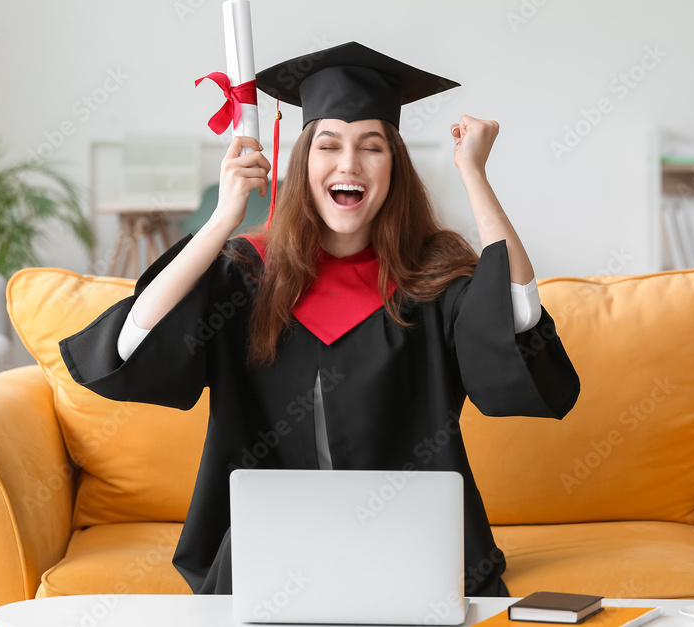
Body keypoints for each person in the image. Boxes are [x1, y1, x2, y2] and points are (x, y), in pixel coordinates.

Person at [59, 41, 581, 597]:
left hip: (410, 551)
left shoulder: (432, 280)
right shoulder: (248, 278)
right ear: (303, 161)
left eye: (372, 147)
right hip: (265, 555)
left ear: (394, 168)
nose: (349, 164)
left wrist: (474, 172)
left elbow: (519, 312)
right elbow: (131, 346)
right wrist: (223, 219)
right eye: (328, 144)